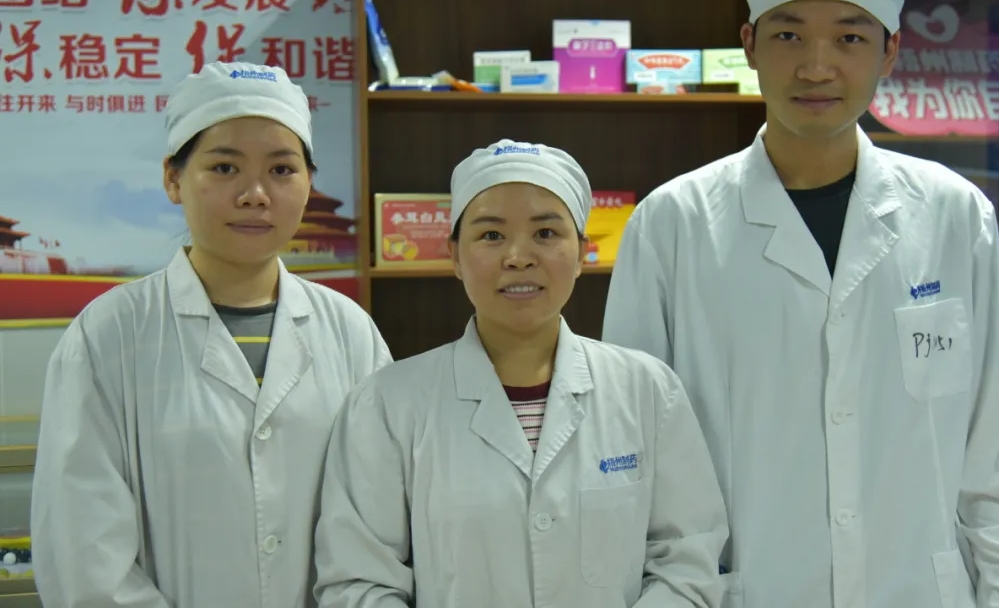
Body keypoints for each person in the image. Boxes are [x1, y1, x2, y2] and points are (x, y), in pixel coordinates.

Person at [601, 0, 999, 608]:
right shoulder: (672, 225)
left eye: (850, 37)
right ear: (749, 45)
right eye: (789, 35)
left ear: (890, 52)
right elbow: (632, 458)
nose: (817, 67)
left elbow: (993, 456)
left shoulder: (953, 215)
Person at [30, 61, 393, 608]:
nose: (255, 194)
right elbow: (83, 556)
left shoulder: (350, 332)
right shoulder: (109, 336)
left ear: (308, 183)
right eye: (225, 167)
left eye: (282, 169)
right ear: (173, 179)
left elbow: (381, 521)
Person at [312, 139, 731, 608]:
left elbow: (688, 562)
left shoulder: (648, 390)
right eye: (491, 235)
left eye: (546, 233)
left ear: (582, 254)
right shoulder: (387, 405)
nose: (518, 256)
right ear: (455, 256)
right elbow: (359, 583)